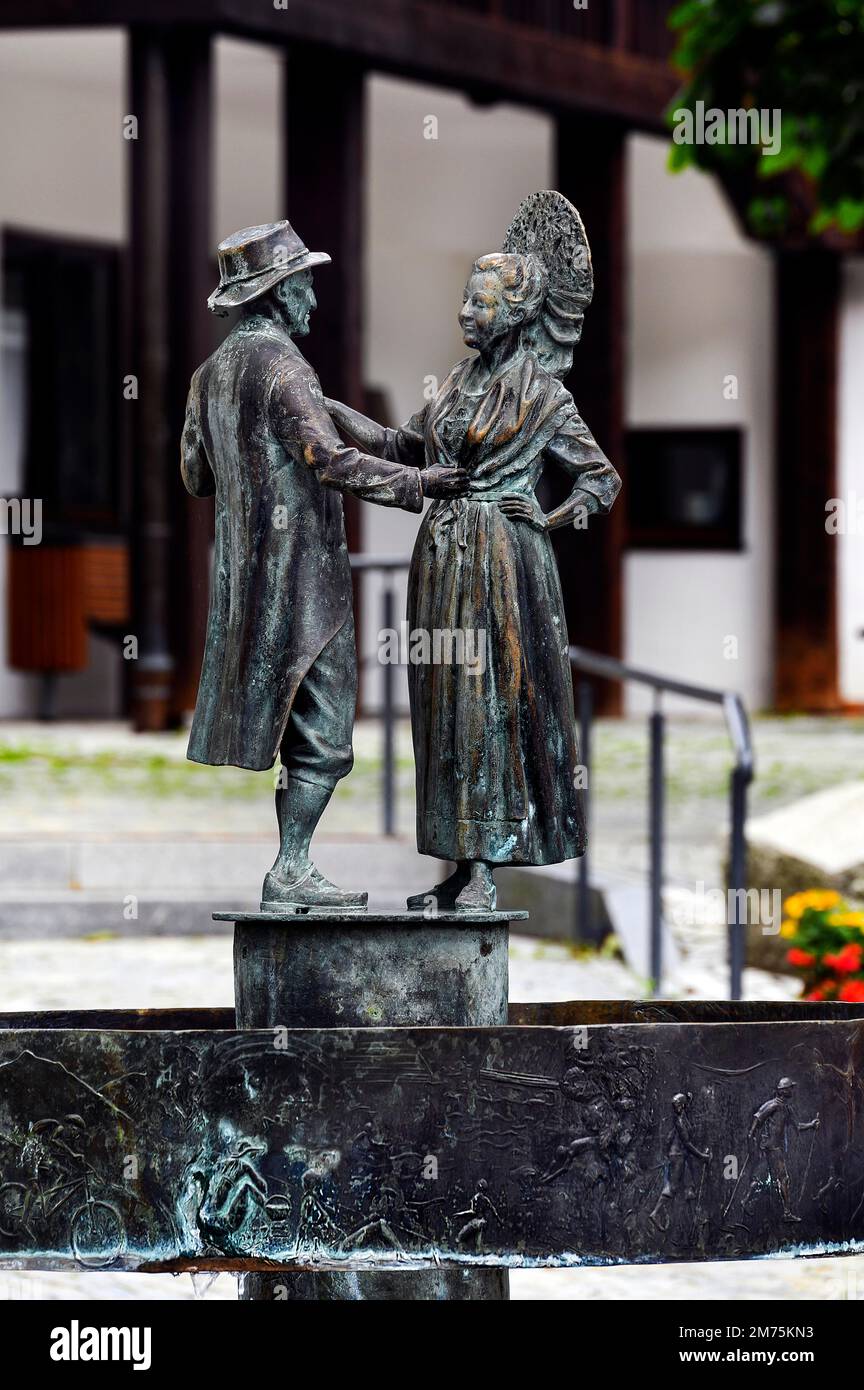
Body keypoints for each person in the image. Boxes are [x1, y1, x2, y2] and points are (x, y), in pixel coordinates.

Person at [327, 192, 620, 910]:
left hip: (501, 562)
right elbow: (403, 446)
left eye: (480, 304)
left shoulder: (544, 396)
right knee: (442, 709)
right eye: (466, 300)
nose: (466, 313)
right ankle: (457, 865)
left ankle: (487, 870)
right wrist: (329, 415)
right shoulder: (456, 385)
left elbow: (601, 478)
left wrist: (549, 517)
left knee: (487, 705)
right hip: (442, 557)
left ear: (516, 313)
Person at [181, 220, 466, 910]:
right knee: (326, 729)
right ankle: (293, 866)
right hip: (303, 580)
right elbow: (329, 462)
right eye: (304, 282)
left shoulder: (211, 374)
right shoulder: (283, 368)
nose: (313, 297)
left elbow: (195, 475)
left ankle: (293, 865)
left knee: (296, 719)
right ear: (277, 293)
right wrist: (420, 485)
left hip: (245, 583)